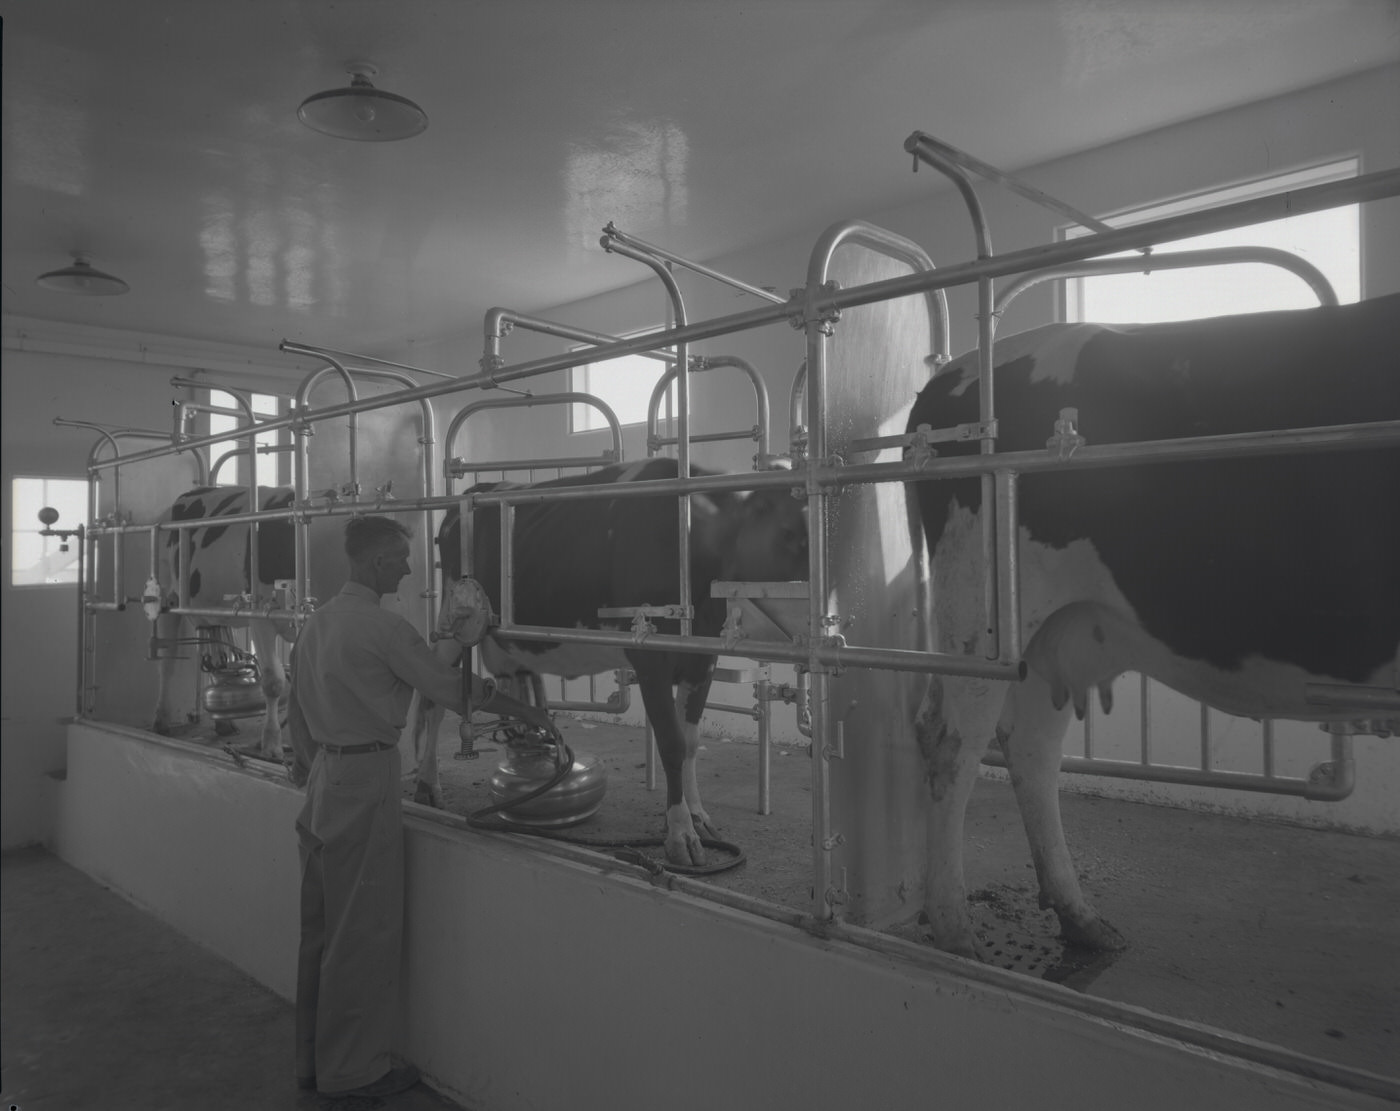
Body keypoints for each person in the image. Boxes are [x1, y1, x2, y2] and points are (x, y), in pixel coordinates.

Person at [287, 514, 557, 1099]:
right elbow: (452, 689)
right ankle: (353, 1073)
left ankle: (311, 1060)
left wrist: (314, 765)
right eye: (402, 559)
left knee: (320, 929)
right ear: (378, 562)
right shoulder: (386, 629)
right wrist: (529, 712)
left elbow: (295, 710)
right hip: (366, 777)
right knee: (361, 930)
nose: (410, 570)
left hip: (324, 779)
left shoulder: (317, 623)